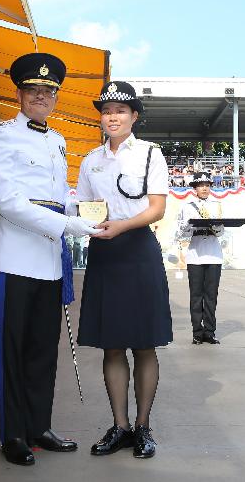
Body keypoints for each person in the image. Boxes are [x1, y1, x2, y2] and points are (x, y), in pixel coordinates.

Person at [0, 52, 97, 466]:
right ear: (19, 93)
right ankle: (12, 433)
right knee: (12, 350)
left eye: (48, 91)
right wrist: (66, 226)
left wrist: (79, 217)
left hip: (49, 257)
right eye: (33, 90)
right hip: (16, 257)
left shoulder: (57, 140)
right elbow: (9, 203)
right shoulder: (0, 135)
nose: (41, 97)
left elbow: (59, 196)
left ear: (56, 97)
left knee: (44, 350)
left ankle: (38, 426)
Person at [75, 80, 171, 459]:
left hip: (138, 251)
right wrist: (90, 224)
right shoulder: (90, 161)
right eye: (106, 111)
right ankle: (120, 426)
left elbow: (156, 208)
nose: (112, 117)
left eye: (120, 110)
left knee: (144, 344)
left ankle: (144, 427)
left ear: (134, 116)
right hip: (105, 254)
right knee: (111, 345)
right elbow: (84, 206)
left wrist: (121, 226)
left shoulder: (150, 155)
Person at [174, 172, 225, 345]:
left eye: (207, 185)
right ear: (195, 188)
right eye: (201, 185)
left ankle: (209, 332)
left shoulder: (216, 205)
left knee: (211, 296)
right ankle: (197, 332)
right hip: (195, 255)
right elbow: (180, 231)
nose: (205, 188)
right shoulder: (187, 206)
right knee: (196, 296)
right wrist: (191, 227)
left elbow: (222, 231)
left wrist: (216, 227)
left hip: (213, 255)